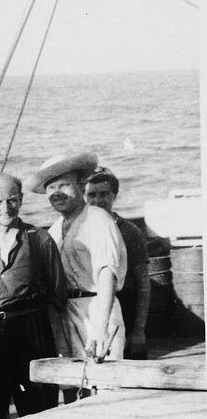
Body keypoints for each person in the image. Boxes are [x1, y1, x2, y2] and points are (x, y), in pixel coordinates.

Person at [0, 174, 67, 419]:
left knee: (39, 404)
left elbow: (58, 293)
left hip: (32, 327)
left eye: (12, 200)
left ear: (20, 201)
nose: (5, 208)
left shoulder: (40, 239)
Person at [25, 153, 127, 367]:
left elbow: (107, 273)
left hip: (98, 307)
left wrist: (101, 325)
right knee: (72, 381)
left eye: (64, 185)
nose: (57, 193)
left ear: (81, 186)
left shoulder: (98, 219)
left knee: (104, 383)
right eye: (51, 188)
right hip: (67, 311)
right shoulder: (54, 229)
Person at [85, 168, 150, 359]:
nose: (97, 200)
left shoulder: (130, 231)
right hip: (92, 305)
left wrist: (139, 331)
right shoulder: (80, 229)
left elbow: (144, 285)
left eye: (104, 194)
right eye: (91, 195)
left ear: (115, 196)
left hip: (124, 302)